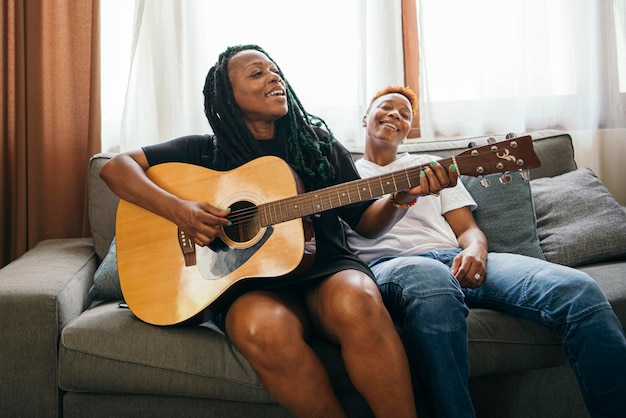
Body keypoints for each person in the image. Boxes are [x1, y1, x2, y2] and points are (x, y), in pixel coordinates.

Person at [100, 46, 434, 418]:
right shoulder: (203, 153)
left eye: (275, 71)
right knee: (258, 328)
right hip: (248, 285)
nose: (274, 78)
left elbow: (366, 225)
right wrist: (180, 211)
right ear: (229, 97)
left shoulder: (318, 147)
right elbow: (116, 168)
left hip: (326, 269)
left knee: (359, 300)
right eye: (257, 73)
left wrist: (399, 197)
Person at [345, 85, 626, 418]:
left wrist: (476, 251)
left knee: (577, 289)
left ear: (408, 131)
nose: (396, 115)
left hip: (452, 257)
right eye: (387, 107)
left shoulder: (431, 166)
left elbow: (467, 229)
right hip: (389, 267)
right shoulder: (342, 174)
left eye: (405, 115)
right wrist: (401, 196)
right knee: (431, 278)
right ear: (365, 117)